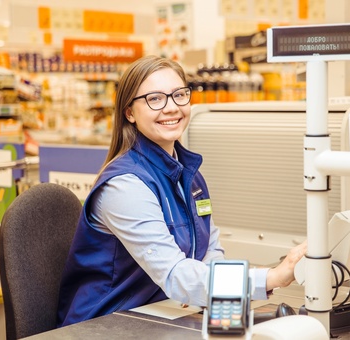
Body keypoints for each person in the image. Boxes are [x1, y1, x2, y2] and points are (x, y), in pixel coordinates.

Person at [56, 55, 307, 327]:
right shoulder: (125, 185)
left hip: (161, 314)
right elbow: (176, 275)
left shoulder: (189, 174)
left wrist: (223, 310)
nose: (171, 108)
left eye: (179, 95)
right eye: (155, 99)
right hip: (104, 325)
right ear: (129, 112)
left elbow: (209, 254)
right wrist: (271, 277)